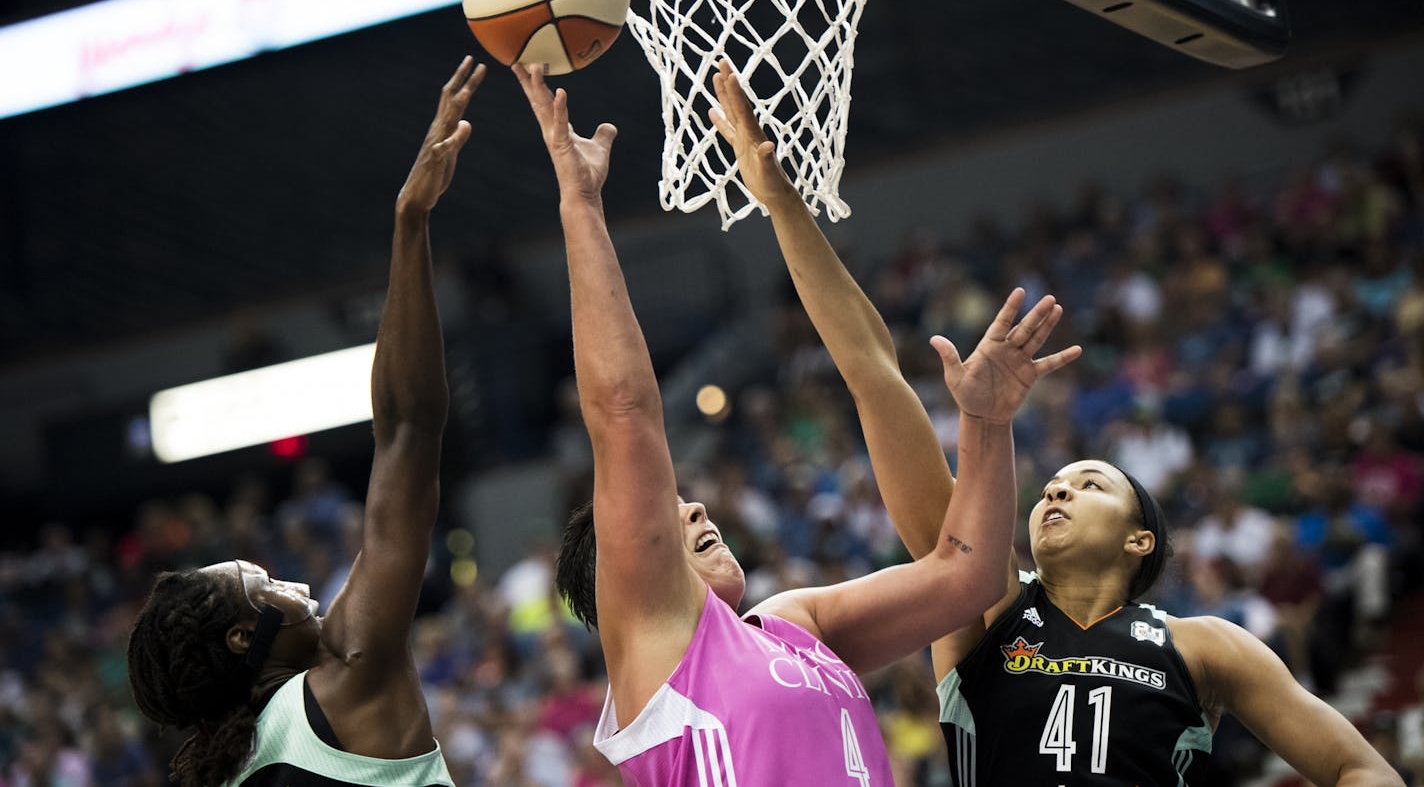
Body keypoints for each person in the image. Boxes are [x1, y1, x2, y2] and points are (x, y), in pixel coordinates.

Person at [710, 52, 1405, 786]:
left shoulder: (1206, 648)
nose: (1056, 491)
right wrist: (782, 202)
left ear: (1141, 537)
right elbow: (874, 376)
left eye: (1090, 483)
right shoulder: (980, 602)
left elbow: (1359, 766)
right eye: (1054, 486)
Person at [511, 60, 1077, 786]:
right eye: (664, 514)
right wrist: (580, 204)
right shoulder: (655, 641)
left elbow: (966, 575)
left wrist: (987, 423)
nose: (691, 503)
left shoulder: (794, 623)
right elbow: (624, 413)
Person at [125, 57, 486, 787]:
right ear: (244, 634)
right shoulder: (347, 675)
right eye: (268, 584)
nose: (296, 586)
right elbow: (410, 428)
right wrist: (410, 222)